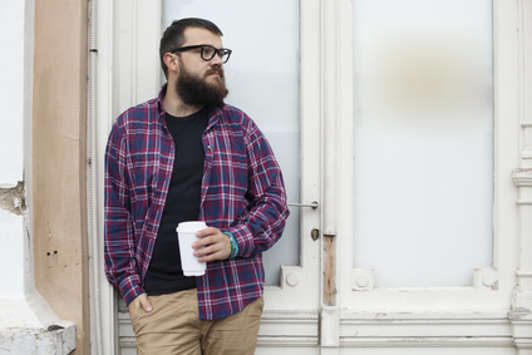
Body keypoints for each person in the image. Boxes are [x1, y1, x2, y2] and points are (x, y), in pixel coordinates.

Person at [104, 17, 289, 355]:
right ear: (171, 60)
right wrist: (130, 288)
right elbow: (116, 216)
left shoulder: (240, 127)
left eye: (220, 53)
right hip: (160, 305)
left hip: (234, 299)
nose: (217, 60)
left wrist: (234, 240)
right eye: (205, 52)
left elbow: (274, 203)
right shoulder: (131, 128)